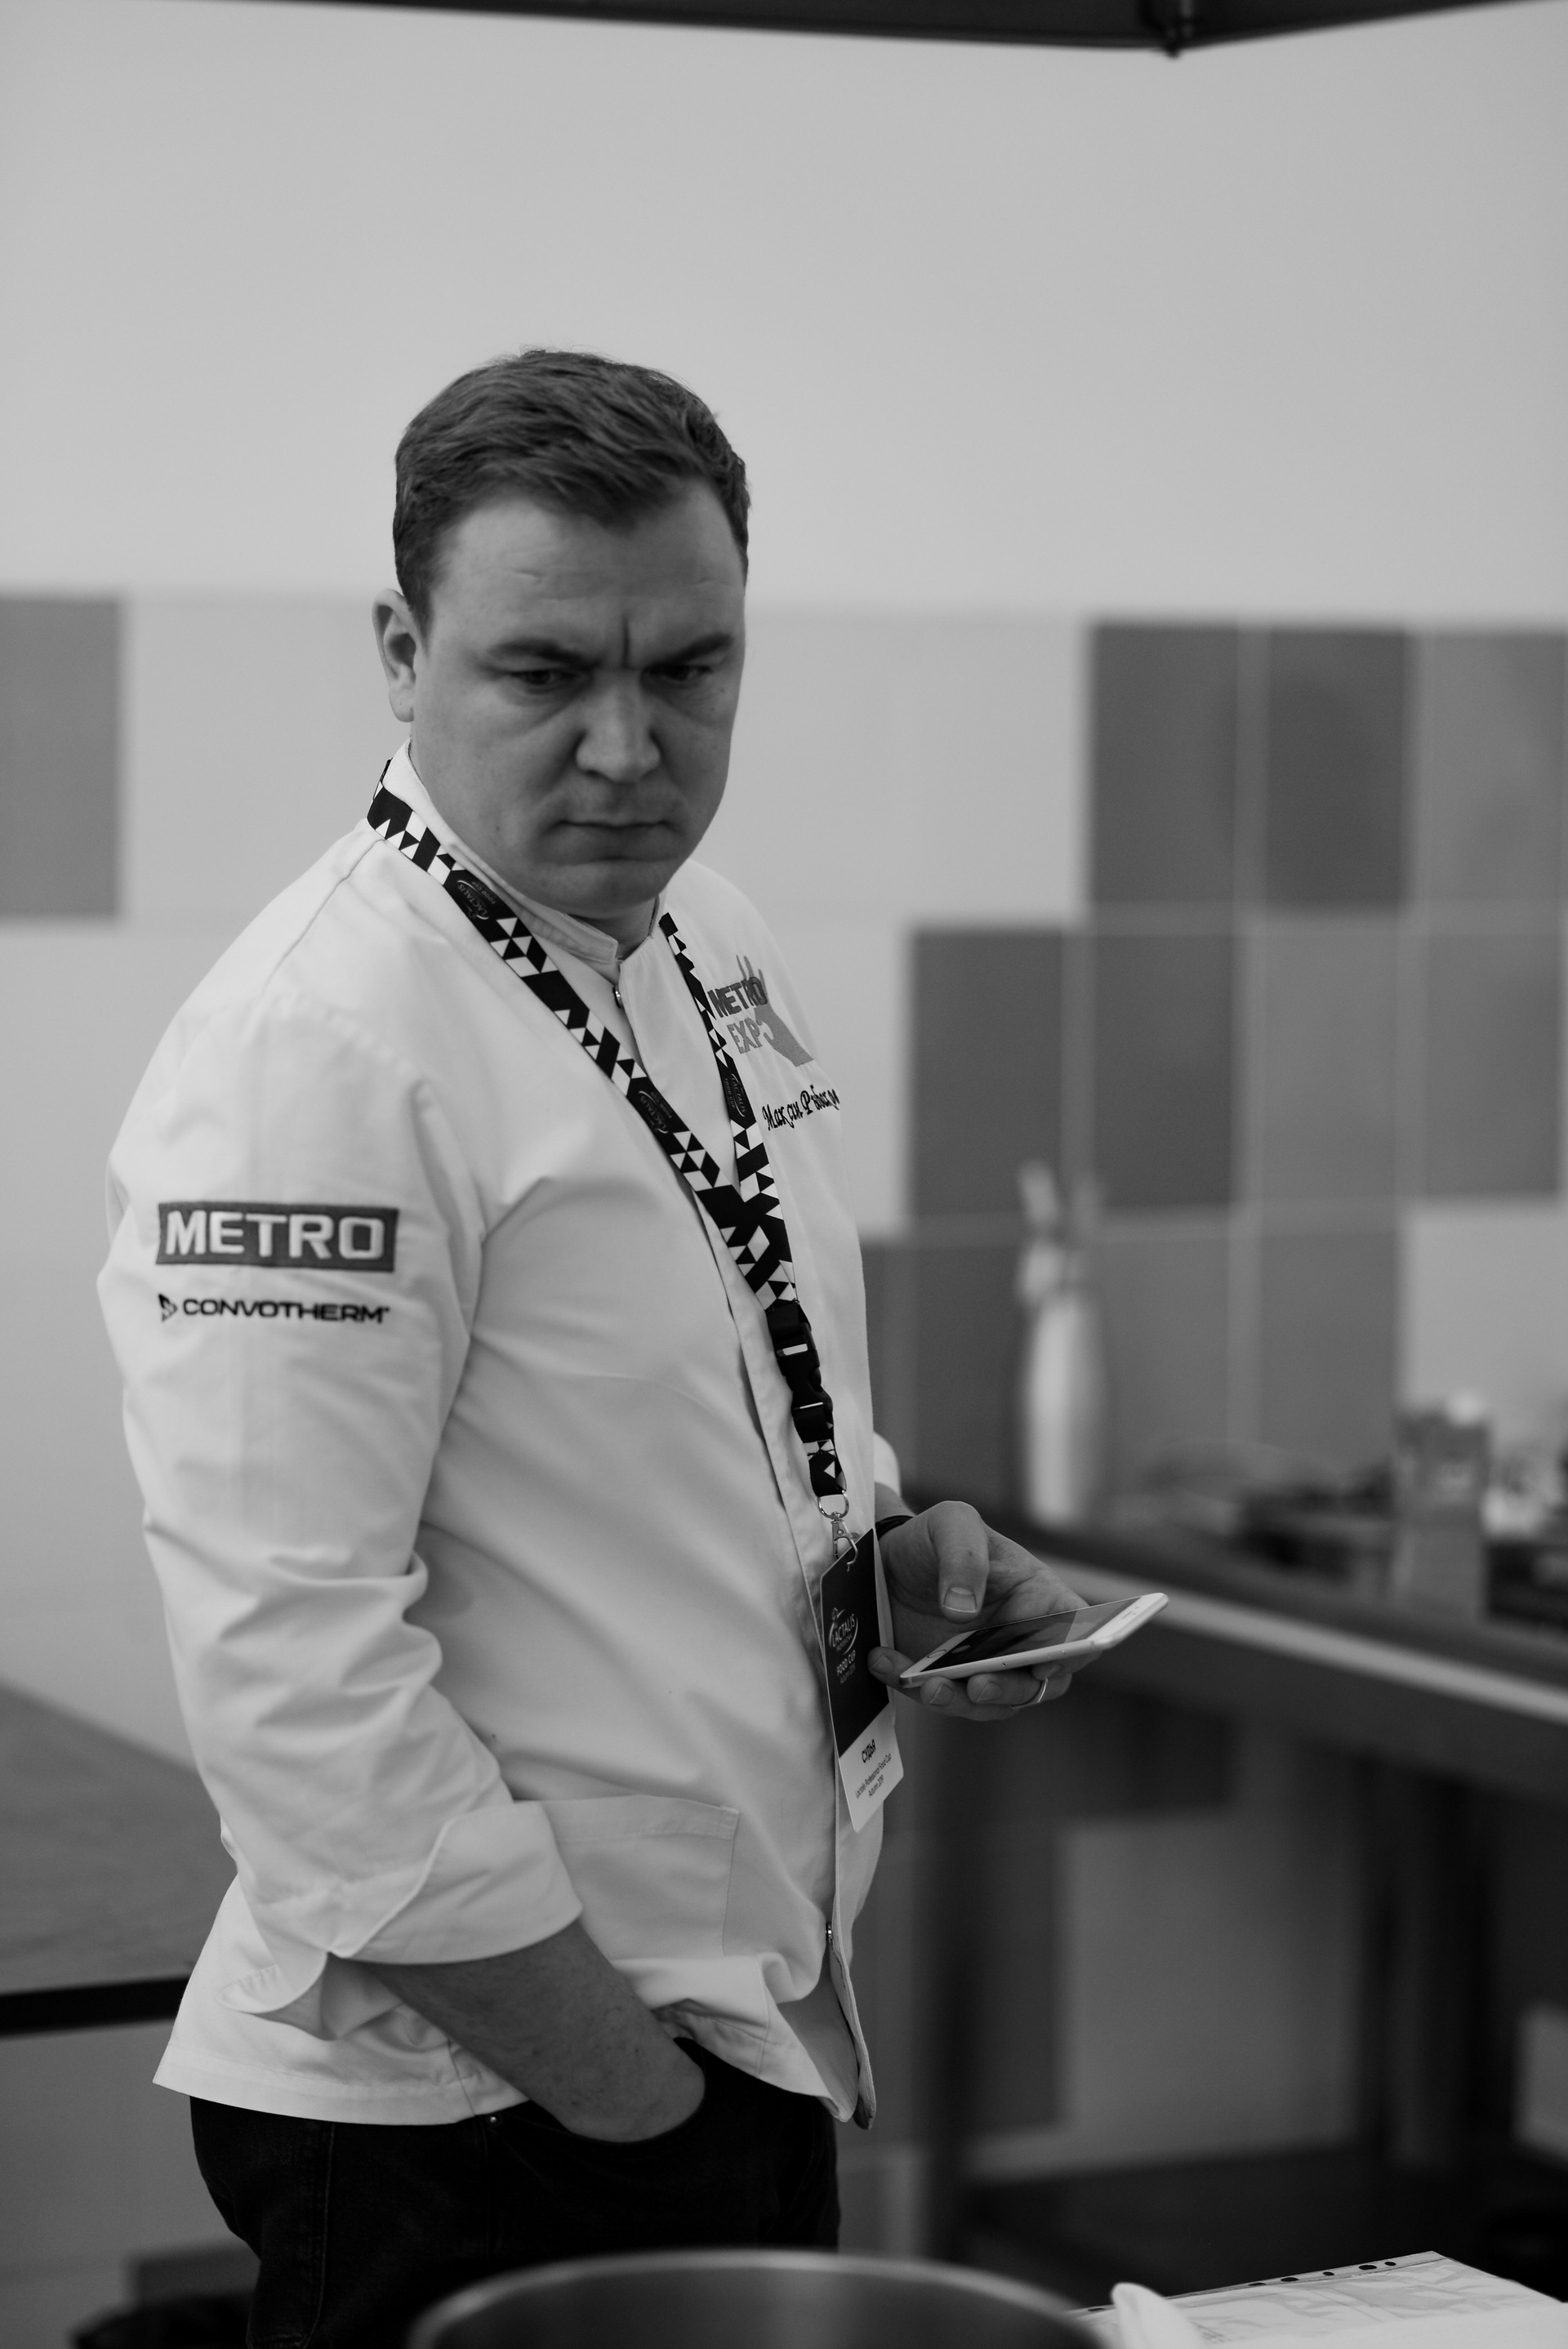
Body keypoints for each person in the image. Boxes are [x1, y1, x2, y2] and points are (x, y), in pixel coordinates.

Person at [99, 349, 1085, 2348]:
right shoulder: (318, 1049)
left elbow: (690, 1410)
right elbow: (295, 1684)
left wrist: (895, 1569)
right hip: (490, 2094)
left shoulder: (708, 940)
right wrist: (626, 2102)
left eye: (691, 670)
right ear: (403, 655)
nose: (630, 751)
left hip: (736, 2022)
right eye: (543, 673)